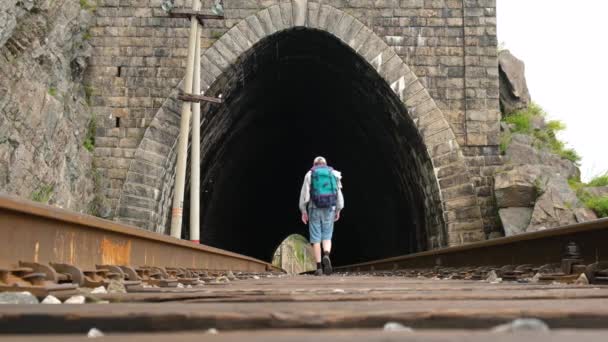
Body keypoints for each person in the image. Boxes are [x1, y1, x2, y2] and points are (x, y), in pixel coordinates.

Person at [299, 156, 344, 276]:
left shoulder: (309, 174)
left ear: (314, 165)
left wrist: (303, 211)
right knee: (327, 236)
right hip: (329, 209)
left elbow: (304, 194)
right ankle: (327, 255)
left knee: (316, 238)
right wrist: (338, 209)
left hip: (314, 208)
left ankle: (319, 267)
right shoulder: (333, 174)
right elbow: (338, 193)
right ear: (325, 164)